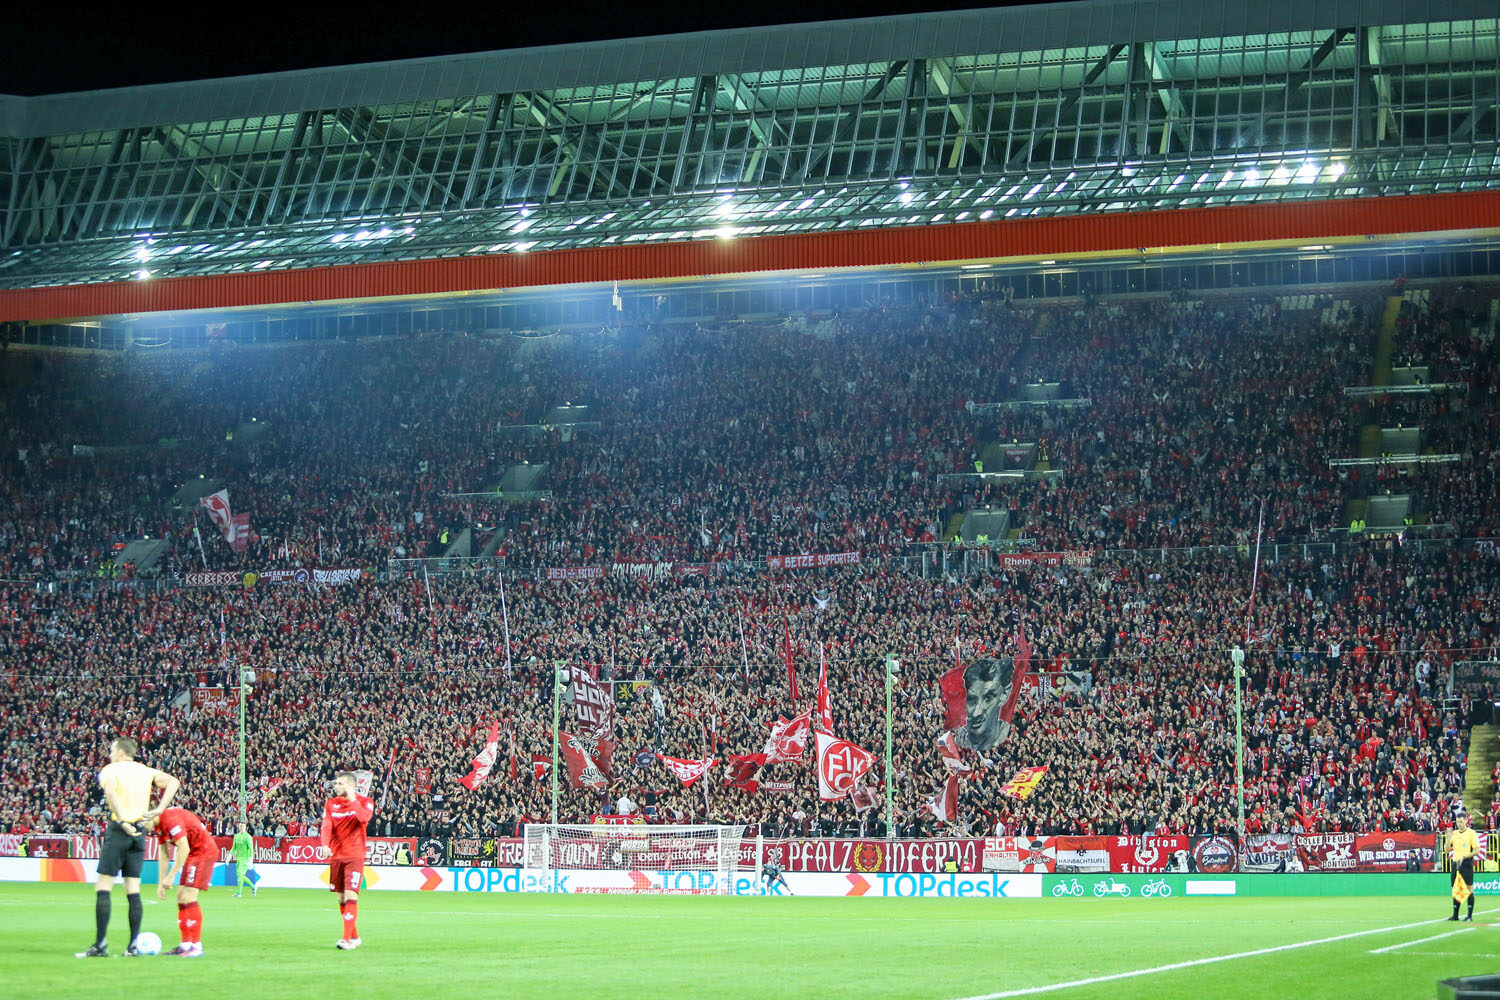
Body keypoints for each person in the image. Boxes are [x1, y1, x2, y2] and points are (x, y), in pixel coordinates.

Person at [76, 737, 180, 958]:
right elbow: (173, 782)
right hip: (139, 832)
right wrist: (160, 808)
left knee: (104, 886)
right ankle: (132, 947)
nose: (110, 754)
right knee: (133, 889)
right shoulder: (145, 771)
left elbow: (111, 793)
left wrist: (122, 820)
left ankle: (100, 946)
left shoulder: (111, 770)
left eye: (112, 750)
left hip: (120, 829)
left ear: (122, 752)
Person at [143, 806, 215, 956]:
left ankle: (196, 947)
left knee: (189, 897)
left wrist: (171, 876)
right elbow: (163, 854)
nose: (142, 826)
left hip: (203, 851)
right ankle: (185, 944)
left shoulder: (170, 819)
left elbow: (184, 848)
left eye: (142, 821)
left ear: (150, 815)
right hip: (193, 853)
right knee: (180, 897)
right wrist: (160, 883)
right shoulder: (159, 825)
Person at [319, 771, 375, 950]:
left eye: (340, 784)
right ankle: (355, 937)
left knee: (351, 896)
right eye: (336, 784)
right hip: (336, 857)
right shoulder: (331, 803)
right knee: (341, 900)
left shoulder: (366, 803)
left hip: (355, 857)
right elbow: (327, 825)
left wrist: (352, 799)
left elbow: (364, 818)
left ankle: (346, 939)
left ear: (351, 786)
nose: (336, 787)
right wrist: (324, 844)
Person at [1449, 813, 1479, 922]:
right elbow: (1447, 849)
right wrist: (1448, 837)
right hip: (1455, 862)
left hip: (1466, 863)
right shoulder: (1454, 833)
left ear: (1466, 821)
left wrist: (1465, 856)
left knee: (1469, 888)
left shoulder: (1471, 833)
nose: (1459, 824)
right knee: (1455, 888)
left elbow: (1476, 850)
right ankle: (1455, 915)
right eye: (1457, 822)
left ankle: (1469, 916)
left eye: (1461, 822)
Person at [232, 822, 256, 898]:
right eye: (240, 826)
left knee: (239, 874)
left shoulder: (248, 837)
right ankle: (253, 887)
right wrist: (229, 856)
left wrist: (250, 859)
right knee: (240, 876)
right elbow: (234, 847)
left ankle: (239, 893)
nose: (241, 827)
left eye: (243, 826)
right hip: (238, 858)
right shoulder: (236, 836)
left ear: (246, 828)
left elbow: (251, 848)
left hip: (245, 859)